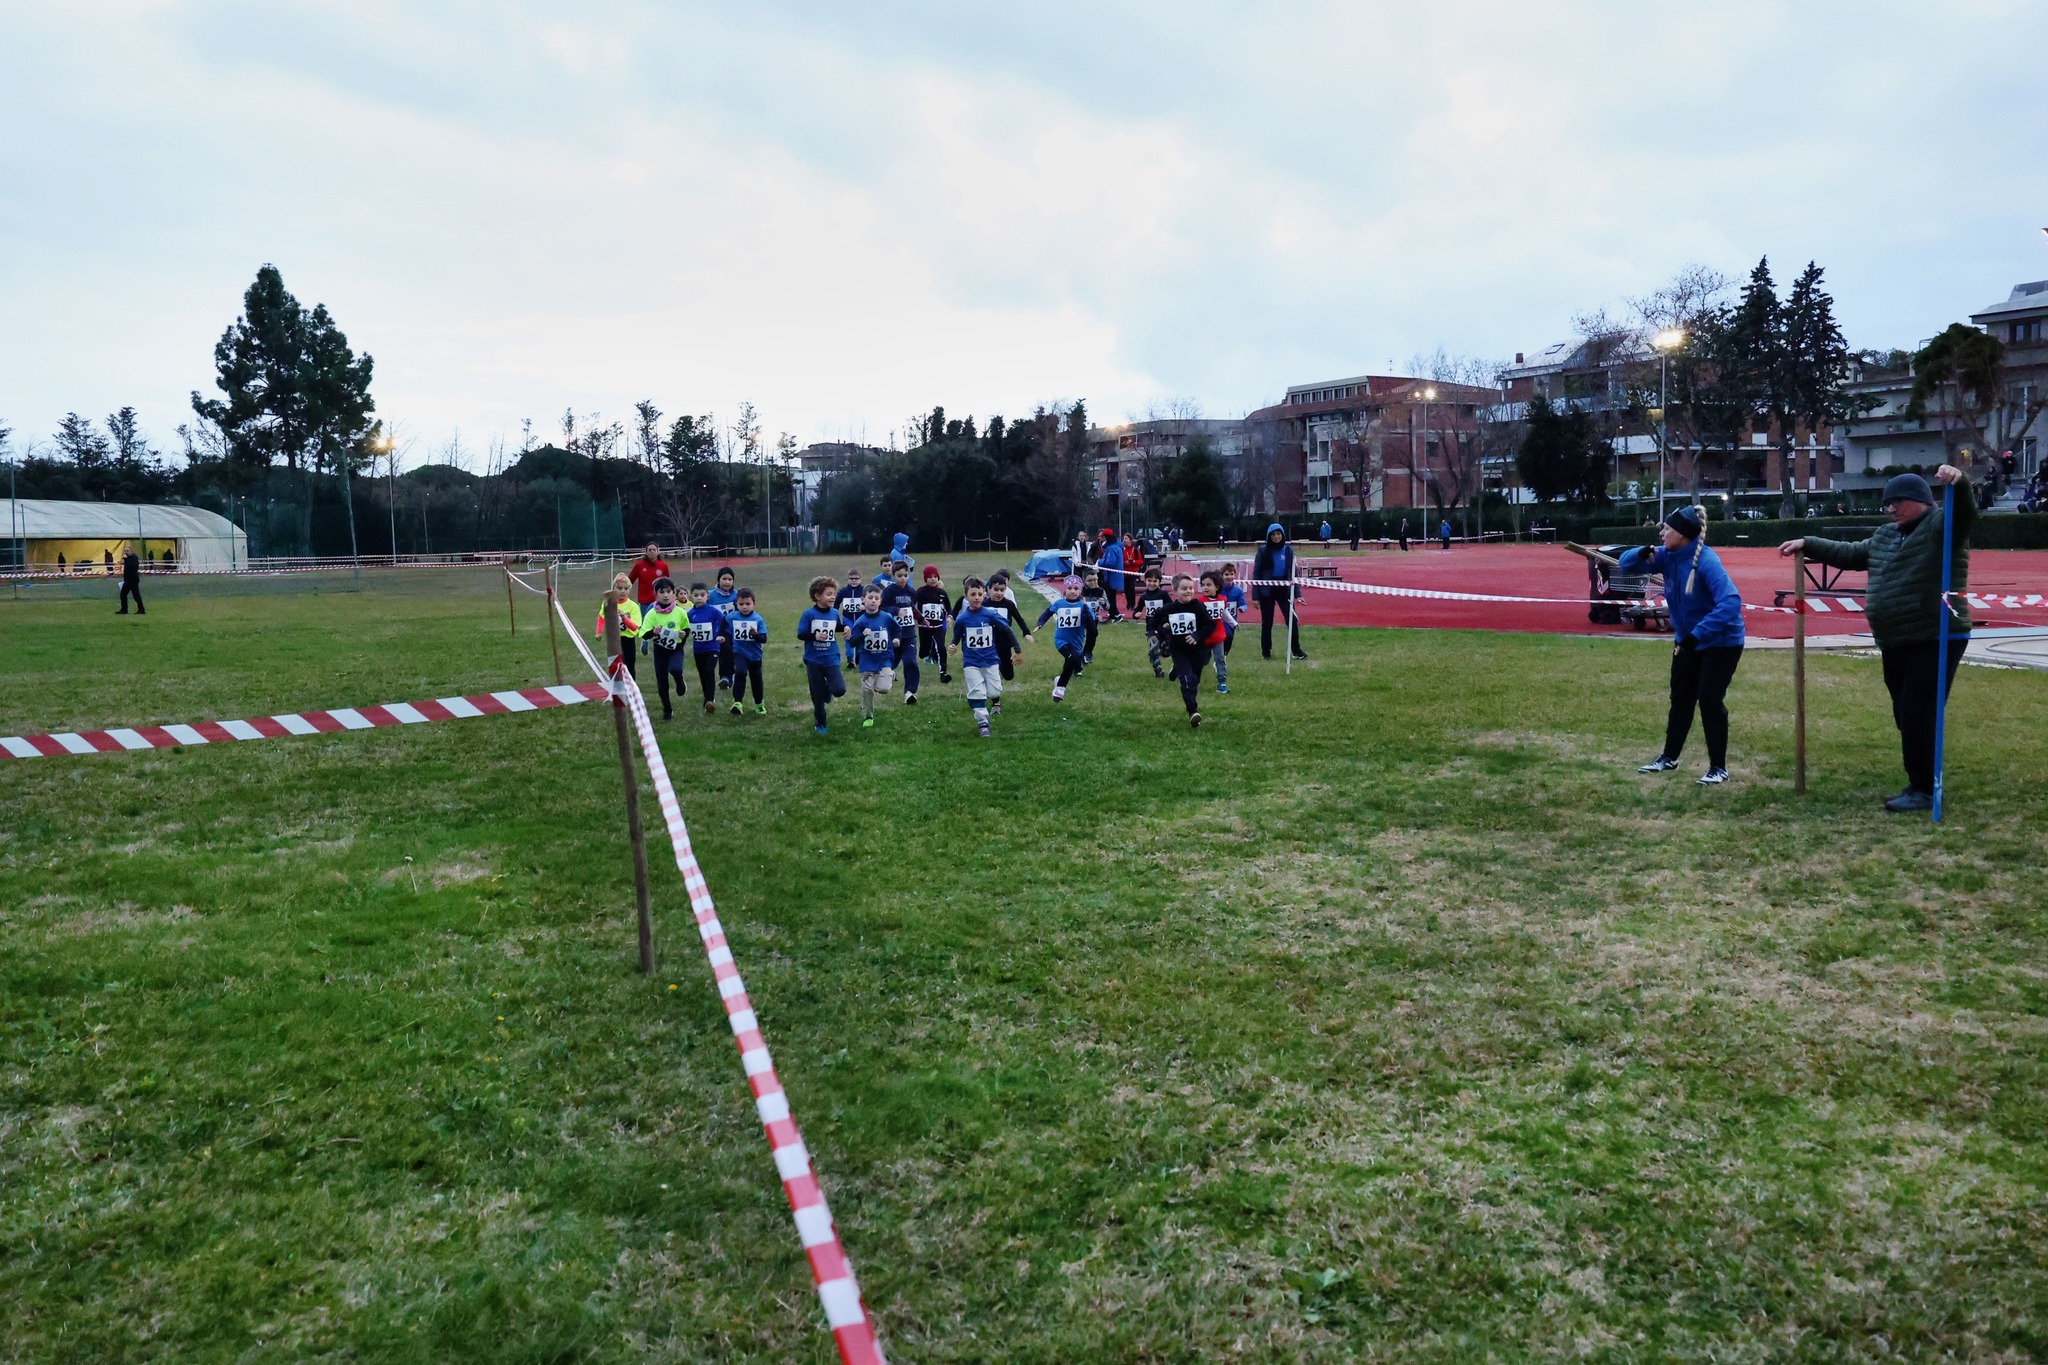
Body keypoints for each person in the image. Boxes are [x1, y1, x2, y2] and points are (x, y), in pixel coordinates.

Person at [1781, 466, 1974, 812]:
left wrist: (1959, 484)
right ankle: (1922, 779)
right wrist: (1808, 544)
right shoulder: (1887, 535)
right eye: (1888, 503)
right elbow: (1852, 553)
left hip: (1935, 635)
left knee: (1918, 713)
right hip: (1896, 639)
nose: (1891, 509)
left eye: (1898, 502)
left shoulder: (1941, 527)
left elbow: (1964, 514)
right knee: (1906, 714)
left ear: (1922, 501)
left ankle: (1925, 789)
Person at [1622, 506, 1745, 786]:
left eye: (1666, 528)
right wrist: (1639, 553)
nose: (1661, 532)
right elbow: (1625, 564)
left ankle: (1718, 768)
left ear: (1682, 534)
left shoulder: (1707, 562)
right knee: (1680, 699)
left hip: (1721, 641)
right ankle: (1669, 758)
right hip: (1688, 641)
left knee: (1709, 700)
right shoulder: (1667, 556)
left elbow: (1731, 602)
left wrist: (1697, 634)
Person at [951, 576, 1021, 738]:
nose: (976, 597)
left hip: (991, 660)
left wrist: (1016, 649)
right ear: (966, 596)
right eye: (973, 594)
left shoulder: (990, 615)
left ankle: (984, 700)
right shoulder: (962, 618)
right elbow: (957, 635)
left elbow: (1007, 630)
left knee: (994, 690)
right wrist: (953, 645)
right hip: (971, 662)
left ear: (984, 596)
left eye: (979, 594)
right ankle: (983, 722)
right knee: (977, 692)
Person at [1148, 573, 1213, 729]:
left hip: (1198, 650)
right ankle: (1193, 711)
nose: (1188, 591)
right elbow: (1153, 621)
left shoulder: (1198, 606)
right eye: (1184, 589)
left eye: (1191, 588)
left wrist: (1197, 635)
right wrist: (1156, 632)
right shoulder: (1170, 608)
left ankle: (1178, 672)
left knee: (1195, 680)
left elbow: (1210, 625)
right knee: (1187, 680)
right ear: (1175, 590)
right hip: (1179, 650)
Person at [797, 575, 849, 735]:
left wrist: (845, 628)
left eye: (834, 593)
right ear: (817, 596)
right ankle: (820, 721)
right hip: (814, 660)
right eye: (829, 594)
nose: (833, 596)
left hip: (831, 657)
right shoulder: (809, 614)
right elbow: (801, 634)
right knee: (817, 696)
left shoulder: (834, 613)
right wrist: (815, 636)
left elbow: (836, 626)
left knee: (839, 689)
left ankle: (828, 689)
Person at [846, 585, 903, 728]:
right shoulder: (860, 622)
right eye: (870, 598)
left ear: (880, 601)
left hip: (884, 659)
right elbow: (852, 642)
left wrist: (897, 639)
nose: (873, 601)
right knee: (867, 691)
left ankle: (890, 674)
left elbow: (897, 629)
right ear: (863, 600)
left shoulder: (887, 617)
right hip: (867, 661)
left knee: (883, 689)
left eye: (876, 598)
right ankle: (868, 716)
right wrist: (862, 635)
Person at [1036, 575, 1098, 702]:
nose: (1073, 591)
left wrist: (1088, 616)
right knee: (1074, 659)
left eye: (1076, 588)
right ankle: (1060, 688)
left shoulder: (1084, 606)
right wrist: (1040, 623)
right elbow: (1047, 613)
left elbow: (1092, 626)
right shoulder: (1059, 604)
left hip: (1077, 642)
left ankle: (1059, 681)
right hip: (1061, 640)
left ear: (1080, 591)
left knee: (1071, 663)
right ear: (1064, 590)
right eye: (1069, 588)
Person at [1251, 523, 1305, 660]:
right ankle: (1266, 652)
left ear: (1283, 535)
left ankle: (1296, 650)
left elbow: (1294, 574)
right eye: (1273, 534)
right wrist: (1255, 596)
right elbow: (1256, 573)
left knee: (1291, 620)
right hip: (1267, 590)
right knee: (1267, 622)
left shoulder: (1288, 550)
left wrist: (1298, 595)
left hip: (1284, 589)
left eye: (1278, 534)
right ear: (1269, 536)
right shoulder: (1263, 551)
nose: (1276, 537)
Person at [638, 578, 690, 720]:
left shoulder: (680, 612)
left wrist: (683, 635)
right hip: (660, 651)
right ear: (656, 594)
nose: (666, 595)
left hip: (675, 649)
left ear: (674, 594)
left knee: (675, 669)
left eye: (669, 592)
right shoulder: (652, 613)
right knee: (662, 683)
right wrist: (653, 632)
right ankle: (667, 709)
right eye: (662, 592)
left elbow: (686, 629)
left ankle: (680, 682)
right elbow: (643, 633)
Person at [980, 571, 1033, 687]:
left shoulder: (1008, 605)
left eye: (1002, 590)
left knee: (1009, 675)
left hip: (1005, 642)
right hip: (989, 642)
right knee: (990, 668)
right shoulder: (984, 605)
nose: (999, 593)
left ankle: (999, 667)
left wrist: (1026, 633)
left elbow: (1019, 619)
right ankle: (992, 676)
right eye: (996, 589)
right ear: (989, 589)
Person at [880, 561, 922, 704]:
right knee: (891, 661)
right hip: (894, 634)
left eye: (905, 575)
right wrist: (896, 611)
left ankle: (910, 692)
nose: (903, 578)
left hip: (909, 633)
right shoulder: (889, 591)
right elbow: (882, 608)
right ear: (893, 576)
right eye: (899, 576)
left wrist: (921, 618)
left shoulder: (911, 592)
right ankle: (882, 681)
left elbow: (912, 608)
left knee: (910, 661)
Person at [685, 582, 730, 715]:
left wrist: (721, 635)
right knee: (702, 674)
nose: (699, 598)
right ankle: (707, 698)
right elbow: (686, 628)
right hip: (698, 649)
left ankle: (710, 699)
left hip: (712, 647)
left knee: (709, 670)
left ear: (707, 597)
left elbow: (725, 622)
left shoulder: (713, 611)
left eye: (702, 595)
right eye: (696, 595)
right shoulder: (690, 614)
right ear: (690, 597)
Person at [726, 589, 768, 715]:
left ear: (754, 604)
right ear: (736, 605)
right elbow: (724, 628)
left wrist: (755, 635)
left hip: (755, 655)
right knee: (740, 672)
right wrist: (723, 637)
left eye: (748, 604)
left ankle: (759, 704)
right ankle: (737, 702)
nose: (744, 607)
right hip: (739, 652)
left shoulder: (758, 619)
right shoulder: (732, 617)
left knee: (756, 680)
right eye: (741, 604)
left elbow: (764, 639)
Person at [593, 573, 643, 677]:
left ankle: (630, 687)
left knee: (629, 665)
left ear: (629, 590)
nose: (623, 591)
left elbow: (635, 626)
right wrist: (599, 631)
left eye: (626, 588)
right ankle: (617, 687)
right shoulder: (609, 603)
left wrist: (624, 618)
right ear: (614, 589)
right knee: (615, 665)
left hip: (628, 640)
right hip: (613, 640)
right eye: (619, 588)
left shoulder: (633, 606)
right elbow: (602, 617)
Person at [914, 565, 953, 684]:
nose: (933, 579)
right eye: (930, 577)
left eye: (935, 576)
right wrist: (918, 618)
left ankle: (943, 673)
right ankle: (926, 651)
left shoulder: (942, 593)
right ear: (925, 578)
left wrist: (949, 617)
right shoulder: (920, 592)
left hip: (938, 627)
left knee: (941, 647)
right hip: (924, 627)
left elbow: (948, 608)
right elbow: (912, 605)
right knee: (923, 653)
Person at [1201, 569, 1235, 694]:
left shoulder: (1223, 599)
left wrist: (1233, 623)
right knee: (1203, 660)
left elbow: (1225, 613)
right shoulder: (1200, 602)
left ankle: (1222, 682)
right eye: (1203, 584)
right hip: (1204, 637)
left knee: (1220, 658)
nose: (1205, 587)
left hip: (1218, 636)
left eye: (1208, 585)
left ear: (1217, 586)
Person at [706, 567, 740, 691]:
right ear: (718, 580)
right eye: (724, 579)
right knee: (723, 653)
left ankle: (727, 677)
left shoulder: (737, 595)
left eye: (730, 579)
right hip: (715, 631)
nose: (727, 582)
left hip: (732, 630)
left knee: (729, 652)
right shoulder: (710, 595)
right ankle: (725, 677)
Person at [1136, 568, 1171, 678]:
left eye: (1155, 581)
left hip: (1164, 626)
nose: (1152, 583)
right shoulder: (1144, 596)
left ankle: (1165, 651)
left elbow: (1171, 607)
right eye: (1149, 580)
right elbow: (1138, 608)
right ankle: (1158, 671)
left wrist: (1168, 621)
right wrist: (1136, 613)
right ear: (1145, 581)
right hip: (1151, 627)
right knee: (1154, 649)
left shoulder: (1163, 594)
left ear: (1159, 582)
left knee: (1166, 650)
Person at [834, 565, 869, 665]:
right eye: (851, 578)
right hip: (847, 618)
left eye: (856, 578)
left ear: (860, 579)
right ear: (848, 579)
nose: (854, 580)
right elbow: (836, 603)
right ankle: (850, 659)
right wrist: (835, 615)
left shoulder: (864, 590)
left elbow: (870, 602)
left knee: (859, 637)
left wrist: (864, 607)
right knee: (848, 637)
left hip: (861, 618)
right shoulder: (844, 591)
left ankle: (858, 657)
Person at [626, 542, 669, 608]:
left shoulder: (663, 566)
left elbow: (667, 583)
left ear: (658, 551)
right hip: (644, 601)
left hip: (659, 600)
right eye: (650, 550)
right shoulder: (639, 565)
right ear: (646, 552)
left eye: (654, 550)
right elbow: (629, 580)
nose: (652, 551)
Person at [1096, 530, 1127, 619]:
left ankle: (1115, 614)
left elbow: (1110, 563)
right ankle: (1114, 614)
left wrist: (1100, 562)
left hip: (1111, 576)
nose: (1100, 538)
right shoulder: (1117, 546)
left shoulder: (1111, 548)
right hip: (1115, 575)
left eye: (1102, 536)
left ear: (1105, 537)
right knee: (1111, 596)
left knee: (1110, 596)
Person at [1080, 568, 1111, 639]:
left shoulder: (1100, 591)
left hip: (1095, 618)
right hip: (1081, 618)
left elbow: (1107, 607)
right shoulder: (1080, 591)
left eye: (1095, 580)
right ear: (1084, 580)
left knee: (1092, 637)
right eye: (1090, 581)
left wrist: (1103, 603)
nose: (1093, 582)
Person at [117, 547, 144, 615]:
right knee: (123, 594)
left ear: (131, 551)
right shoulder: (127, 559)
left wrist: (125, 560)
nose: (126, 552)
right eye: (125, 551)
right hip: (127, 580)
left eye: (127, 551)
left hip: (133, 580)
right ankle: (124, 609)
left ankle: (141, 610)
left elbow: (132, 567)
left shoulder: (134, 558)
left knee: (136, 595)